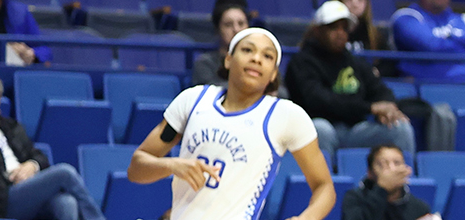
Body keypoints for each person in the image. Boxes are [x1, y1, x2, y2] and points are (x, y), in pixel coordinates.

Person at [127, 27, 335, 220]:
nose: (256, 58)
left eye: (267, 56)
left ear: (273, 74)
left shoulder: (286, 115)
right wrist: (172, 165)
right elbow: (136, 169)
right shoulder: (193, 100)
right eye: (247, 50)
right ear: (228, 59)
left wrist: (306, 218)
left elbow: (324, 187)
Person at [286, 1, 416, 164]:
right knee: (321, 129)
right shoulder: (302, 62)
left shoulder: (355, 62)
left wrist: (388, 107)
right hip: (321, 125)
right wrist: (370, 108)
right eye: (333, 27)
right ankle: (324, 185)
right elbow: (318, 100)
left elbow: (380, 90)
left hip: (356, 130)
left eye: (344, 28)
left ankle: (403, 185)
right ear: (318, 31)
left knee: (399, 127)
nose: (340, 33)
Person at [0, 71, 105, 220]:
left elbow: (40, 156)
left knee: (66, 203)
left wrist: (32, 165)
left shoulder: (10, 126)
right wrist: (13, 176)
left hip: (28, 191)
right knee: (65, 172)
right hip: (4, 198)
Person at [342, 145, 432, 220]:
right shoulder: (354, 199)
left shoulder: (419, 208)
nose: (391, 169)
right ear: (370, 172)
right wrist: (382, 189)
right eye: (382, 164)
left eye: (397, 163)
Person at [192, 0, 253, 86]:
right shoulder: (205, 64)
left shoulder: (257, 62)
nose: (236, 29)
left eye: (241, 24)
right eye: (228, 24)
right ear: (217, 29)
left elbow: (279, 91)